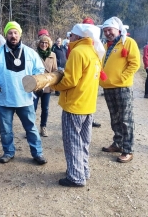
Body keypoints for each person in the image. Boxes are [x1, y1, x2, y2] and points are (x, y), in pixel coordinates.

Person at [0, 21, 47, 165]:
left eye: (16, 32)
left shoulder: (30, 53)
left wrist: (39, 84)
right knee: (6, 130)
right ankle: (8, 152)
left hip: (25, 98)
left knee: (31, 128)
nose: (13, 36)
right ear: (6, 35)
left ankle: (38, 153)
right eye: (10, 33)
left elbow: (39, 70)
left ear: (20, 34)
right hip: (4, 98)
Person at [51, 23, 104, 187]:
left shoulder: (78, 52)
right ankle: (83, 170)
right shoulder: (94, 52)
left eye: (71, 35)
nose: (69, 38)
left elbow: (70, 80)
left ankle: (75, 177)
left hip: (74, 105)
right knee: (83, 142)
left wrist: (54, 86)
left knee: (72, 141)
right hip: (88, 105)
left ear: (79, 37)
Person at [100, 17, 140, 163]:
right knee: (114, 118)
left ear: (118, 29)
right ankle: (117, 143)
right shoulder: (105, 45)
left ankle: (128, 149)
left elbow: (135, 63)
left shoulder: (128, 42)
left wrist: (123, 77)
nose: (107, 33)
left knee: (125, 119)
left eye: (109, 30)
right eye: (105, 31)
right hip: (108, 87)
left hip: (122, 87)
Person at [33, 29, 57, 137]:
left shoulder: (53, 55)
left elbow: (55, 70)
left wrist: (53, 82)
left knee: (45, 108)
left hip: (47, 85)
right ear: (39, 43)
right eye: (42, 42)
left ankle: (43, 127)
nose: (44, 44)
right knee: (32, 107)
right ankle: (31, 128)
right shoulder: (34, 53)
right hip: (36, 84)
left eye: (46, 43)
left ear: (49, 44)